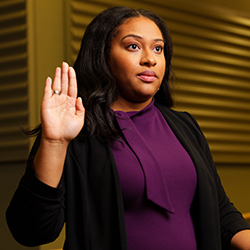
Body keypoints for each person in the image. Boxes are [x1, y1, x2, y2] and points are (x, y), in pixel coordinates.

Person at [6, 6, 250, 250]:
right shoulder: (75, 130)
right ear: (102, 54)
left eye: (158, 48)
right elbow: (31, 231)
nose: (150, 59)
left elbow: (220, 210)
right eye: (133, 46)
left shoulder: (184, 125)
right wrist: (54, 143)